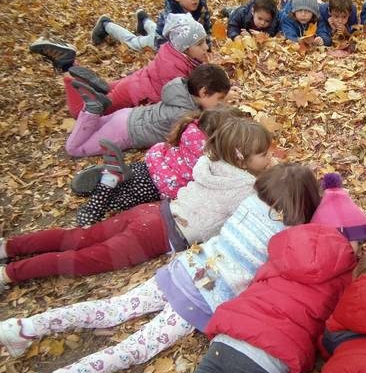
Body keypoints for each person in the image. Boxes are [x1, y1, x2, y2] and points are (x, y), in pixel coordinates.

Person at [0, 163, 320, 373]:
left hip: (183, 270)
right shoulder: (284, 237)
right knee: (134, 349)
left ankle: (25, 326)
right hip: (200, 300)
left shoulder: (249, 200)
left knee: (110, 309)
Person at [113, 173, 366, 373]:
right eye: (359, 241)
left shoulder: (285, 249)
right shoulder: (344, 277)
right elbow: (330, 330)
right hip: (265, 364)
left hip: (226, 342)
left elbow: (257, 284)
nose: (360, 248)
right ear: (348, 240)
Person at [0, 117, 272, 286]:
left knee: (78, 238)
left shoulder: (211, 164)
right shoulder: (246, 189)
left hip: (152, 211)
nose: (269, 159)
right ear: (240, 158)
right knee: (82, 260)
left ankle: (9, 246)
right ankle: (11, 274)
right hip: (158, 235)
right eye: (263, 154)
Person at [71, 106, 247, 225]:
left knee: (120, 187)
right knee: (113, 204)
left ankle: (112, 176)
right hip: (154, 186)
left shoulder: (191, 129)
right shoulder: (209, 154)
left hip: (148, 166)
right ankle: (106, 184)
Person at [29, 13, 210, 117]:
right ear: (184, 47)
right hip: (136, 94)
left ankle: (82, 75)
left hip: (136, 82)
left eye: (205, 41)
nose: (206, 47)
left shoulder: (175, 53)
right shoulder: (174, 68)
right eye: (200, 44)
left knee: (103, 88)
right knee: (84, 112)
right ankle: (68, 69)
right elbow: (179, 98)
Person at [64, 63, 229, 157]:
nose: (221, 104)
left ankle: (97, 103)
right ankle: (92, 108)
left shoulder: (181, 91)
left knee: (92, 126)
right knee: (74, 149)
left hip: (128, 114)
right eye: (220, 99)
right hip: (125, 132)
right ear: (204, 92)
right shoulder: (186, 115)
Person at [91, 0, 212, 52]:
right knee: (134, 42)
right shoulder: (170, 15)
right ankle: (106, 25)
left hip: (183, 40)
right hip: (161, 40)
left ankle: (143, 19)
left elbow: (205, 29)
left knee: (154, 28)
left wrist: (207, 48)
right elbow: (161, 39)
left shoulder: (201, 7)